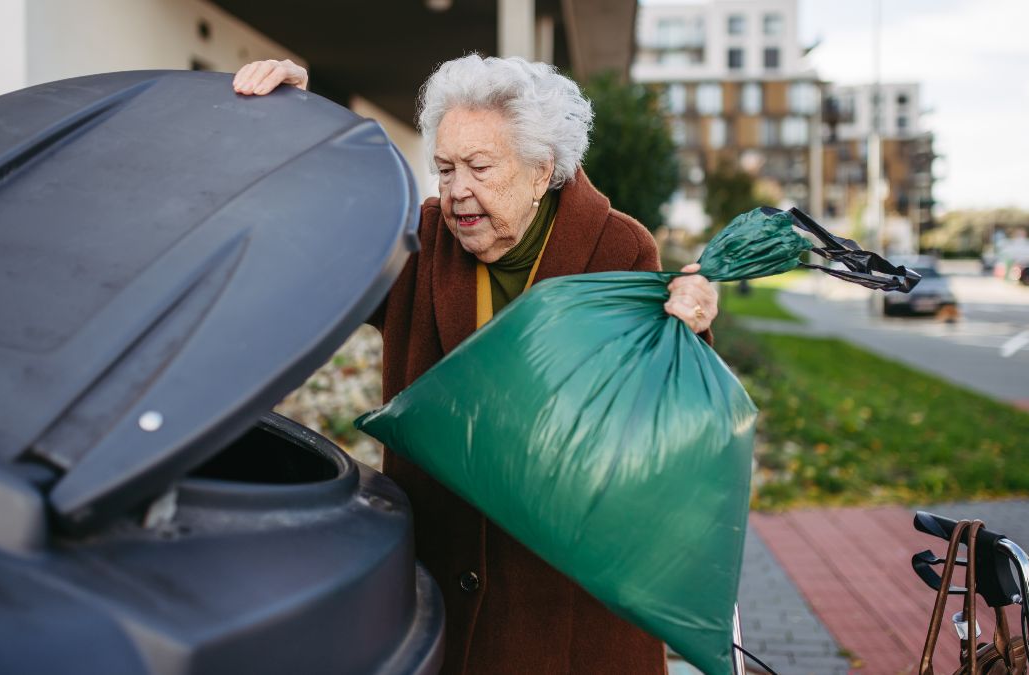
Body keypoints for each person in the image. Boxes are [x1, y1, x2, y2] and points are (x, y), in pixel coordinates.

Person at [233, 55, 718, 675]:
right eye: (444, 168)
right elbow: (322, 233)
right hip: (438, 595)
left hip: (564, 608)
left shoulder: (619, 249)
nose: (457, 189)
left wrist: (695, 324)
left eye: (480, 168)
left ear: (542, 171)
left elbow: (660, 406)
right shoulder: (417, 241)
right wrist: (298, 126)